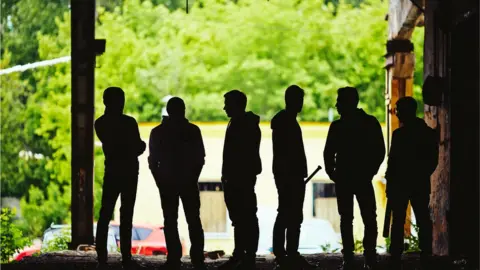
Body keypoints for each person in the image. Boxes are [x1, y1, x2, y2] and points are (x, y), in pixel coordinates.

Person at [324, 87, 385, 270]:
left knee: (346, 218)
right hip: (362, 177)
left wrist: (332, 173)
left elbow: (328, 153)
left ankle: (349, 258)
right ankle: (370, 256)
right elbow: (379, 151)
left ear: (347, 103)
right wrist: (370, 171)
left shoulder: (337, 126)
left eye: (339, 101)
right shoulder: (370, 123)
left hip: (344, 177)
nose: (336, 105)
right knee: (369, 217)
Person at [148, 97, 207, 270]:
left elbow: (153, 162)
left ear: (168, 110)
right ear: (183, 110)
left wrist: (160, 181)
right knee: (194, 220)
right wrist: (192, 178)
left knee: (170, 221)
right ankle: (197, 258)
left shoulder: (158, 132)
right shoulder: (193, 131)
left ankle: (174, 258)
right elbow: (200, 159)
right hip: (188, 182)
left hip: (167, 183)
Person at [95, 87, 146, 269]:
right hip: (130, 172)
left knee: (105, 213)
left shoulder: (99, 123)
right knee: (127, 214)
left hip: (112, 172)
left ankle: (102, 257)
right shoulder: (129, 122)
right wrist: (138, 146)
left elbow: (115, 145)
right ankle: (126, 257)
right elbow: (138, 147)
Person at [385, 97, 438, 270]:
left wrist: (391, 182)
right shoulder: (427, 133)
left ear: (407, 111)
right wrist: (421, 175)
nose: (396, 112)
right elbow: (432, 161)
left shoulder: (399, 135)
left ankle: (395, 254)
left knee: (399, 219)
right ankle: (426, 253)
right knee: (423, 218)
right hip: (419, 183)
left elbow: (392, 162)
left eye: (398, 109)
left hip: (401, 184)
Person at [271, 85, 314, 270]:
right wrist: (293, 174)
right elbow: (288, 152)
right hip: (289, 175)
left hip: (287, 174)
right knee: (292, 214)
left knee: (288, 213)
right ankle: (288, 253)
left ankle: (284, 252)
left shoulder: (283, 120)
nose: (301, 104)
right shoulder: (286, 121)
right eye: (299, 99)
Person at [218, 90, 261, 270]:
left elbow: (238, 155)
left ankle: (245, 256)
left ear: (236, 105)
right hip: (239, 178)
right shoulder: (243, 124)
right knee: (243, 218)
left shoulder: (241, 125)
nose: (224, 107)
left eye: (227, 104)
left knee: (245, 218)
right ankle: (243, 255)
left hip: (239, 178)